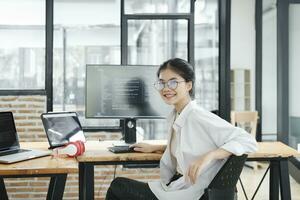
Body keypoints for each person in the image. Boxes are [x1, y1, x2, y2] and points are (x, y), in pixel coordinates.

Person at [105, 58, 258, 200]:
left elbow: (248, 140)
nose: (166, 88)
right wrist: (157, 148)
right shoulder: (176, 115)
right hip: (179, 185)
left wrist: (209, 156)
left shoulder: (198, 116)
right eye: (162, 83)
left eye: (173, 83)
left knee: (118, 186)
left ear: (189, 85)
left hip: (194, 192)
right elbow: (187, 145)